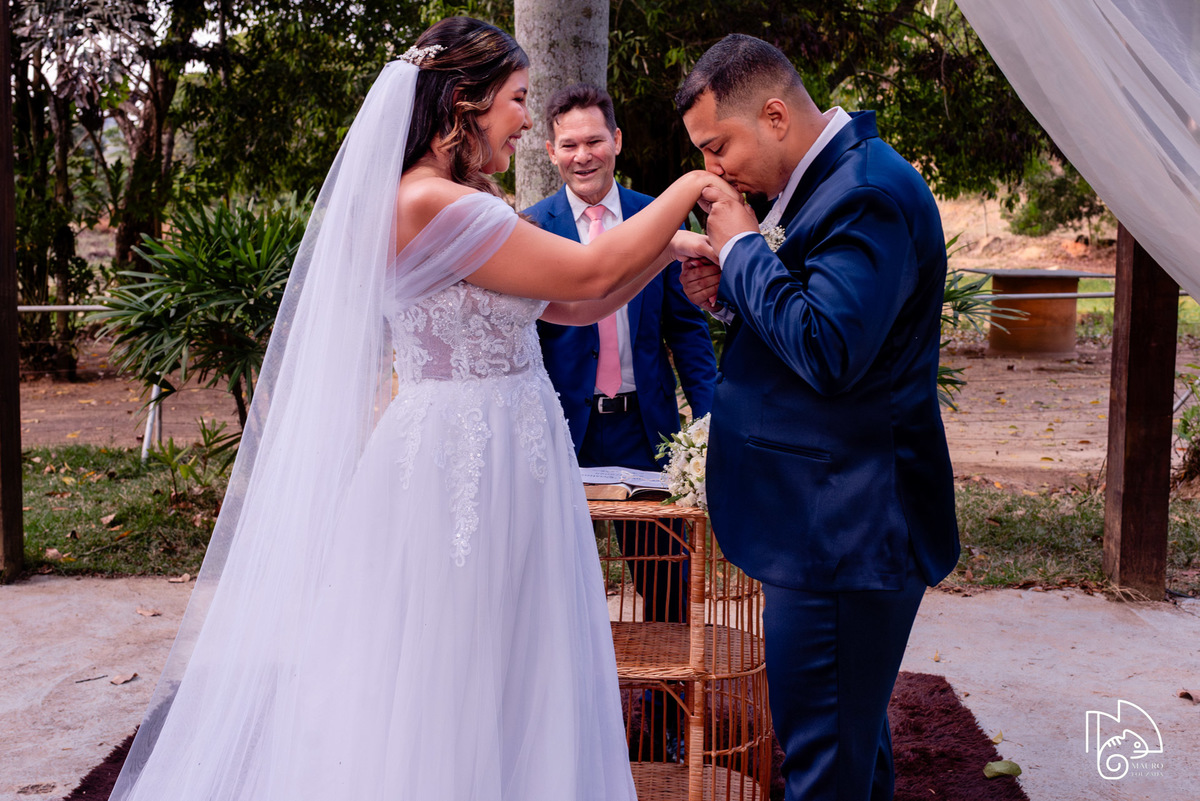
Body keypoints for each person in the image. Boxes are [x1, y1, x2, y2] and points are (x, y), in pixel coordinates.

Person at [108, 17, 737, 801]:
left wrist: (667, 250)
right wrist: (692, 187)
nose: (521, 121)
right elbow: (584, 272)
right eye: (514, 100)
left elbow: (575, 305)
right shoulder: (443, 207)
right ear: (463, 103)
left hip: (503, 446)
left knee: (507, 657)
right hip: (469, 458)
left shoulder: (441, 201)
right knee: (456, 661)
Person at [675, 34, 961, 801]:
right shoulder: (831, 182)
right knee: (847, 755)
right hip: (826, 519)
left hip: (846, 529)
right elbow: (826, 321)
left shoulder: (866, 190)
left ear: (774, 114)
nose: (715, 170)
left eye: (718, 145)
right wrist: (737, 289)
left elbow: (830, 347)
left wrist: (742, 253)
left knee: (820, 771)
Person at [525, 83, 717, 626]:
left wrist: (709, 424)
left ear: (617, 140)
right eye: (568, 145)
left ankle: (669, 710)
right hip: (562, 431)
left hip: (646, 430)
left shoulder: (659, 217)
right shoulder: (533, 229)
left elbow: (688, 336)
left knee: (666, 583)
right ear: (551, 152)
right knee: (555, 588)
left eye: (593, 141)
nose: (581, 155)